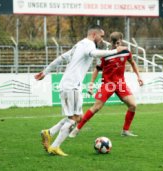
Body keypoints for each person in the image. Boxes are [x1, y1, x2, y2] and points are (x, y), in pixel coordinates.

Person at [34, 25, 127, 156]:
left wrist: (45, 71)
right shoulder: (89, 45)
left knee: (78, 118)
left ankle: (49, 132)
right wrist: (115, 51)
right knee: (72, 120)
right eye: (101, 36)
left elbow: (60, 58)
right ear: (94, 34)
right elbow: (94, 54)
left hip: (72, 85)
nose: (102, 39)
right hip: (70, 85)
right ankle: (55, 146)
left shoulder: (79, 45)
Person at [69, 31, 143, 138]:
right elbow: (97, 70)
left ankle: (125, 131)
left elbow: (132, 62)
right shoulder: (106, 54)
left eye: (117, 43)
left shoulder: (126, 51)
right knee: (96, 107)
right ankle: (77, 129)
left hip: (120, 84)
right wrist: (91, 84)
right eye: (114, 43)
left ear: (121, 41)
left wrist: (139, 77)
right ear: (111, 42)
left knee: (133, 105)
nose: (116, 45)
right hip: (108, 84)